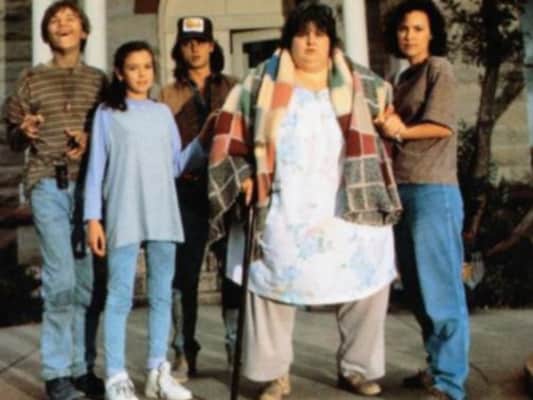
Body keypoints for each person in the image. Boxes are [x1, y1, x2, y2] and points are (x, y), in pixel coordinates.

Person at [208, 2, 402, 399]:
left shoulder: (365, 84)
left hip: (349, 205)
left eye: (319, 33)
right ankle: (274, 375)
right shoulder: (258, 83)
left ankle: (356, 368)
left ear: (331, 40)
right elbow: (227, 139)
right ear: (289, 39)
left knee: (366, 282)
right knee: (269, 288)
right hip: (285, 207)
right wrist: (245, 177)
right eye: (302, 33)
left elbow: (388, 132)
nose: (311, 41)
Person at [84, 41, 203, 400]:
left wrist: (205, 140)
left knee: (162, 295)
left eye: (147, 66)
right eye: (133, 67)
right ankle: (116, 376)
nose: (141, 74)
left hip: (162, 211)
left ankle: (157, 371)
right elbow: (95, 169)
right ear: (120, 73)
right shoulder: (107, 113)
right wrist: (93, 218)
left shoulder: (162, 113)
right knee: (119, 295)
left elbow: (177, 164)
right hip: (124, 211)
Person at [4, 1, 106, 399]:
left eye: (70, 19)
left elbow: (112, 130)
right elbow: (12, 136)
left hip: (89, 189)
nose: (62, 24)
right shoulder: (31, 78)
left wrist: (90, 137)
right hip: (47, 182)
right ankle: (56, 373)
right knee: (61, 277)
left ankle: (81, 368)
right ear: (46, 33)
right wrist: (24, 130)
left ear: (84, 31)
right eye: (55, 20)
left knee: (85, 281)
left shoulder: (99, 81)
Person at [378, 1, 470, 399]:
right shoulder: (401, 77)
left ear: (431, 33)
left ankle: (451, 382)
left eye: (418, 28)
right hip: (402, 189)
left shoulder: (439, 69)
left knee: (440, 288)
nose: (409, 35)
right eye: (403, 28)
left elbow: (441, 126)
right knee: (416, 288)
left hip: (434, 190)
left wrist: (398, 129)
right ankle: (436, 367)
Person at [159, 16, 239, 379]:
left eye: (201, 41)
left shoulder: (234, 87)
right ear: (180, 48)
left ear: (211, 45)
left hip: (228, 189)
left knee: (233, 270)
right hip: (187, 189)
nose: (194, 48)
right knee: (184, 273)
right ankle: (183, 351)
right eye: (187, 42)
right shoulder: (167, 94)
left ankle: (236, 348)